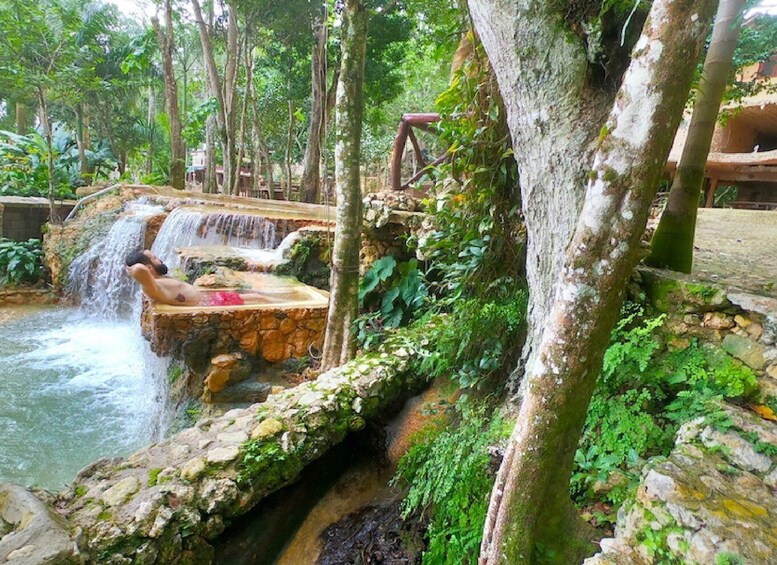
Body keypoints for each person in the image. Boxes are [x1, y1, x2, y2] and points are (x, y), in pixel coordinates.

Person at [125, 250, 257, 307]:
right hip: (213, 304)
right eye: (154, 258)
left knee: (257, 296)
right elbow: (139, 270)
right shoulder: (154, 287)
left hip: (212, 300)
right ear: (149, 268)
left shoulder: (160, 280)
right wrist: (132, 269)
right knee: (261, 299)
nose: (159, 259)